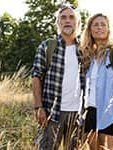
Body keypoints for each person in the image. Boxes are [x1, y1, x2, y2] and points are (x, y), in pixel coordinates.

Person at [31, 5, 84, 150]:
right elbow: (36, 77)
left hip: (77, 115)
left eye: (72, 17)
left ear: (78, 23)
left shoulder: (84, 49)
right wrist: (38, 107)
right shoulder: (47, 47)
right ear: (58, 23)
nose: (67, 21)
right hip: (52, 112)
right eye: (63, 17)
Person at [80, 13, 113, 150]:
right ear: (90, 30)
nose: (99, 27)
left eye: (103, 24)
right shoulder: (90, 57)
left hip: (111, 115)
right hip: (91, 113)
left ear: (108, 29)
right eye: (95, 25)